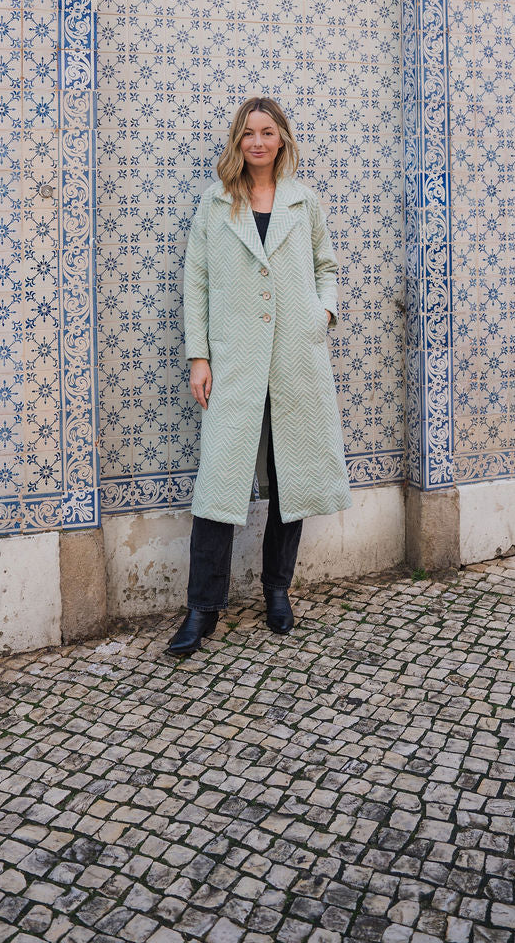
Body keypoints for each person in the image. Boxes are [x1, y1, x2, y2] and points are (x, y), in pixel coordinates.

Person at [167, 96, 352, 658]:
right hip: (235, 359)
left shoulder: (303, 200)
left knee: (290, 479)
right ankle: (202, 609)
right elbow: (196, 280)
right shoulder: (216, 201)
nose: (257, 142)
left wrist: (322, 314)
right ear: (237, 141)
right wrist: (199, 357)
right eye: (248, 133)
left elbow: (326, 267)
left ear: (282, 139)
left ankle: (277, 591)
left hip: (295, 355)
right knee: (218, 482)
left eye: (267, 132)